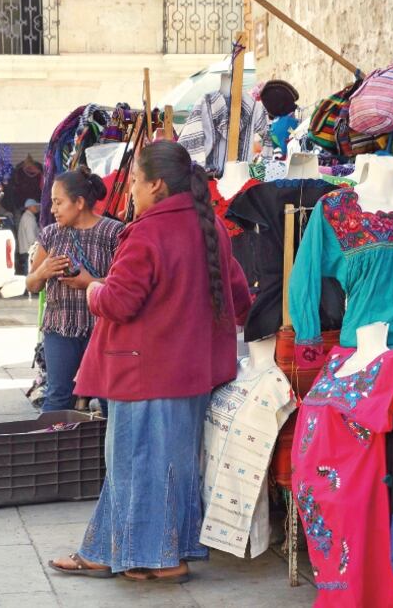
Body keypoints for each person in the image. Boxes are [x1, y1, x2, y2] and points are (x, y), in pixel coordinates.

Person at [48, 141, 252, 582]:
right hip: (192, 372)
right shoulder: (210, 225)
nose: (131, 192)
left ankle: (158, 559)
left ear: (156, 184)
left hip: (144, 371)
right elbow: (240, 298)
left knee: (137, 466)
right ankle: (110, 552)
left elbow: (119, 301)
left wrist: (92, 289)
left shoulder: (148, 231)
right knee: (169, 466)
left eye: (136, 182)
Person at [25, 167, 122, 413]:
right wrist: (43, 271)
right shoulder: (50, 235)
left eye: (58, 202)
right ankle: (53, 449)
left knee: (108, 398)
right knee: (58, 396)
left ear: (79, 202)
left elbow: (124, 285)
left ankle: (108, 450)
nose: (52, 209)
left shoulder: (113, 233)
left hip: (102, 330)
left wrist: (90, 282)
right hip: (60, 328)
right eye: (52, 203)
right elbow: (32, 285)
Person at [16, 198, 40, 275]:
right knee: (29, 273)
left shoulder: (27, 217)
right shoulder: (29, 219)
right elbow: (32, 238)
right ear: (29, 207)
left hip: (25, 249)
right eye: (34, 206)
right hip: (29, 250)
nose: (37, 207)